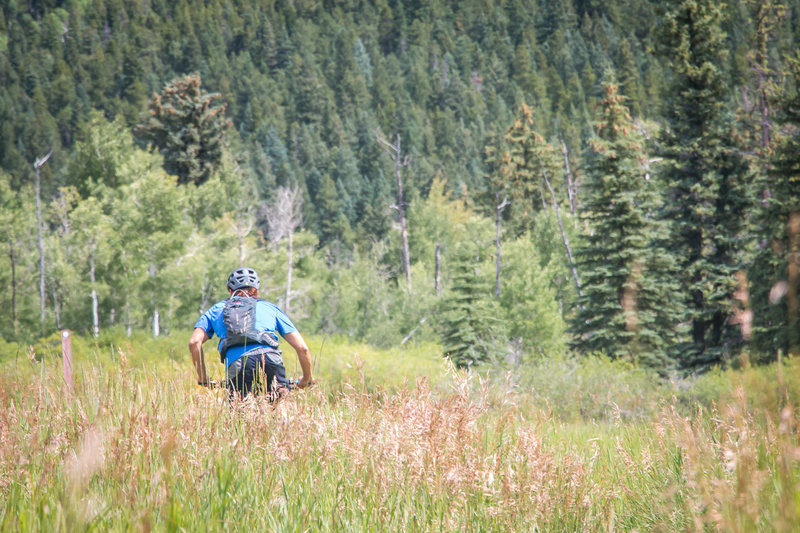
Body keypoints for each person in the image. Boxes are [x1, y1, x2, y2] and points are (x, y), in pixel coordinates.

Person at [189, 266, 313, 399]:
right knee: (277, 411)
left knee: (241, 414)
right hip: (271, 360)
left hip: (238, 363)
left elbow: (194, 342)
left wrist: (203, 378)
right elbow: (303, 348)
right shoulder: (270, 308)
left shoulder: (217, 309)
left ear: (230, 291)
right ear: (255, 291)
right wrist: (307, 378)